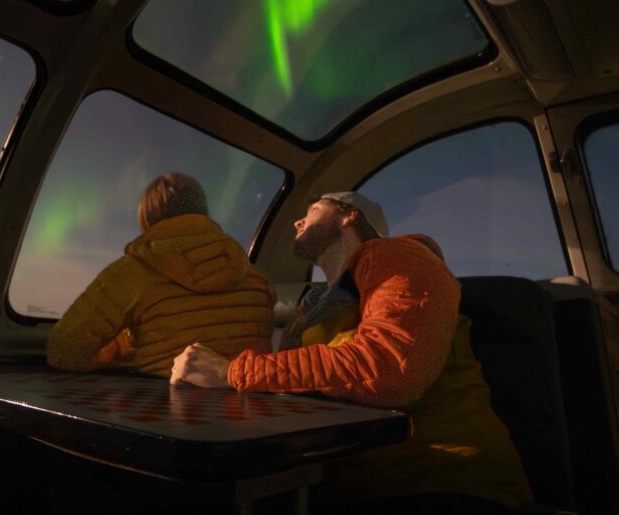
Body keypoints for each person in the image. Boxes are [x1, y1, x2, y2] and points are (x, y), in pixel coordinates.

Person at [171, 192, 532, 513]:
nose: (298, 219)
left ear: (349, 215)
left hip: (440, 479)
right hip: (342, 484)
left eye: (314, 208)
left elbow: (390, 368)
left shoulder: (401, 255)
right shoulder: (316, 305)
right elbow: (297, 377)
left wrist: (233, 371)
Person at [46, 172, 275, 376]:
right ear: (202, 212)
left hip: (167, 413)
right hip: (247, 412)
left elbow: (63, 351)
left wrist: (120, 351)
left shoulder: (131, 273)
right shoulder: (256, 278)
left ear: (146, 220)